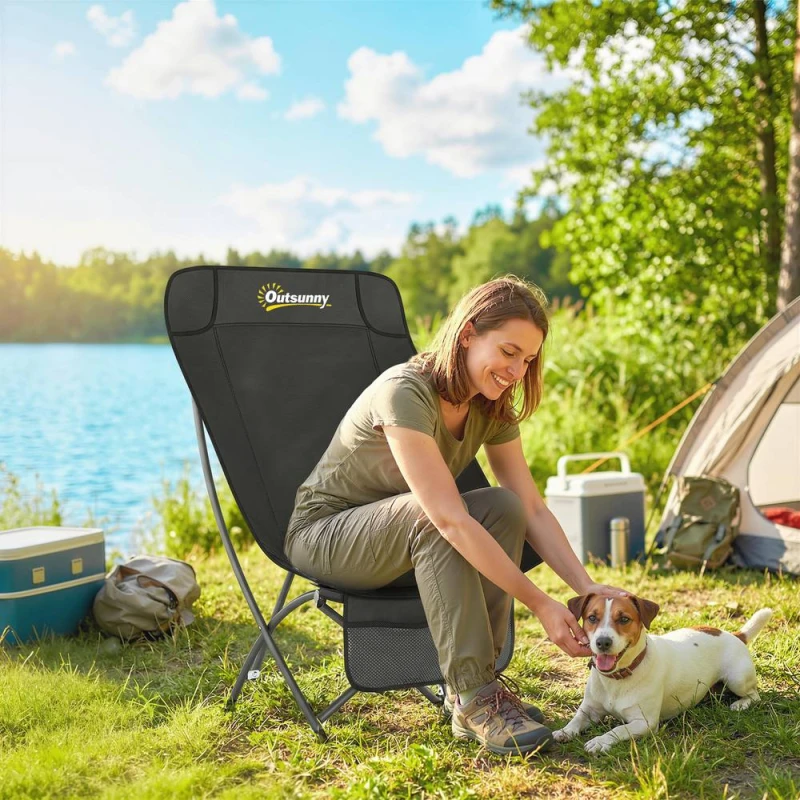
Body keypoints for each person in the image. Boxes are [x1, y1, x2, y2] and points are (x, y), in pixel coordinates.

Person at [284, 275, 627, 755]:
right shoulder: (404, 391)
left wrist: (584, 590)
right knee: (436, 517)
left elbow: (528, 504)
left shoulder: (490, 406)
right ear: (468, 334)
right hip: (326, 533)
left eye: (526, 360)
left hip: (397, 533)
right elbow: (446, 518)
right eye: (508, 351)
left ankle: (482, 685)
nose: (515, 370)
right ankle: (473, 698)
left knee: (503, 505)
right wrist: (540, 603)